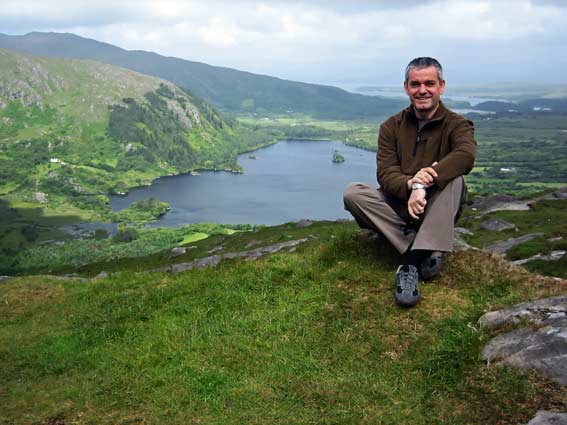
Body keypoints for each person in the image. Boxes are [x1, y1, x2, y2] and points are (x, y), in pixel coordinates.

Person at [343, 57, 476, 307]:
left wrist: (425, 183)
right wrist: (410, 185)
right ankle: (427, 248)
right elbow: (385, 173)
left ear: (441, 86)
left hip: (436, 206)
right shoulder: (391, 127)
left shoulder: (457, 124)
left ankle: (410, 264)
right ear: (406, 87)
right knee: (353, 193)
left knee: (456, 180)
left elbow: (466, 156)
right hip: (399, 204)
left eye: (429, 83)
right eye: (415, 84)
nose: (422, 90)